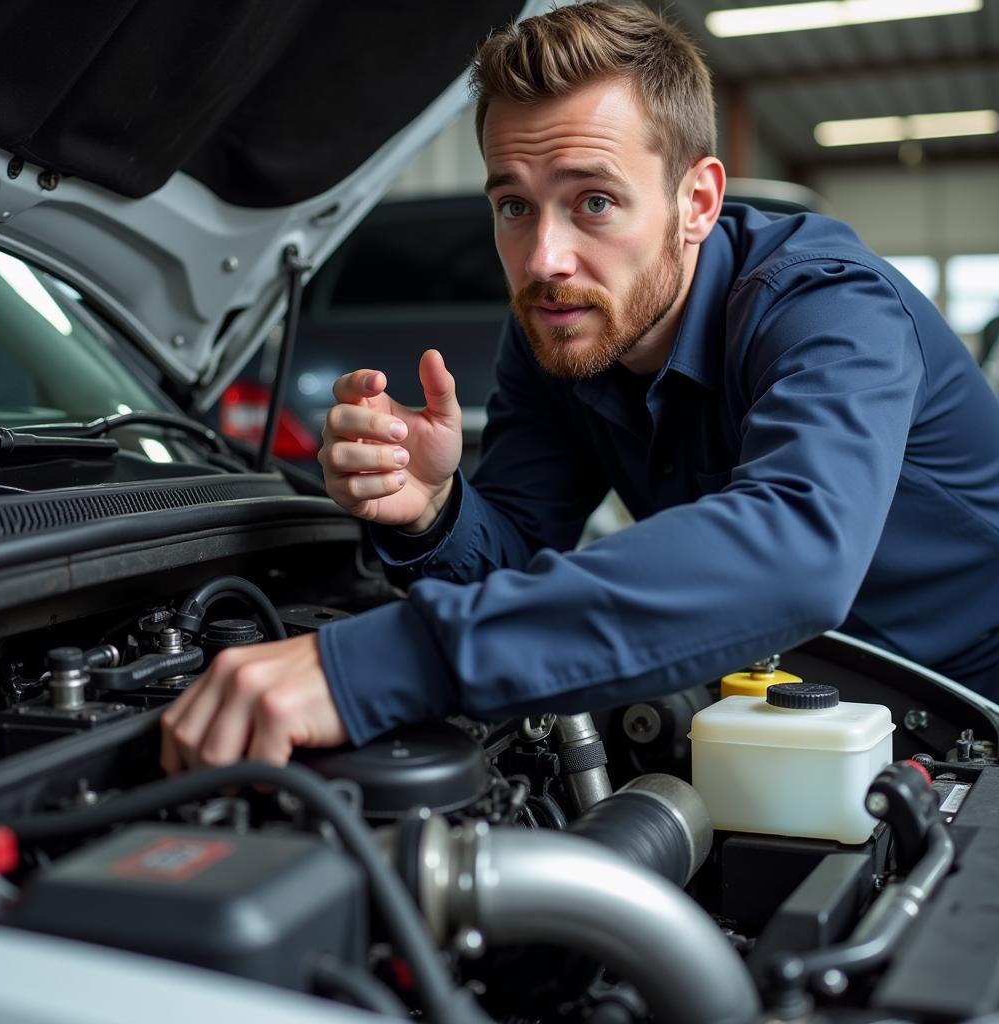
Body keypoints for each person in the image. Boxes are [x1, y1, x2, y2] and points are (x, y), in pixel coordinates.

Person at [160, 1, 999, 774]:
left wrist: (372, 667)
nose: (543, 262)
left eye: (593, 201)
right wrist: (433, 510)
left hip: (968, 714)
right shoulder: (561, 330)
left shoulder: (831, 307)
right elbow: (519, 549)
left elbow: (797, 554)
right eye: (515, 208)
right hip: (770, 709)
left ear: (697, 201)